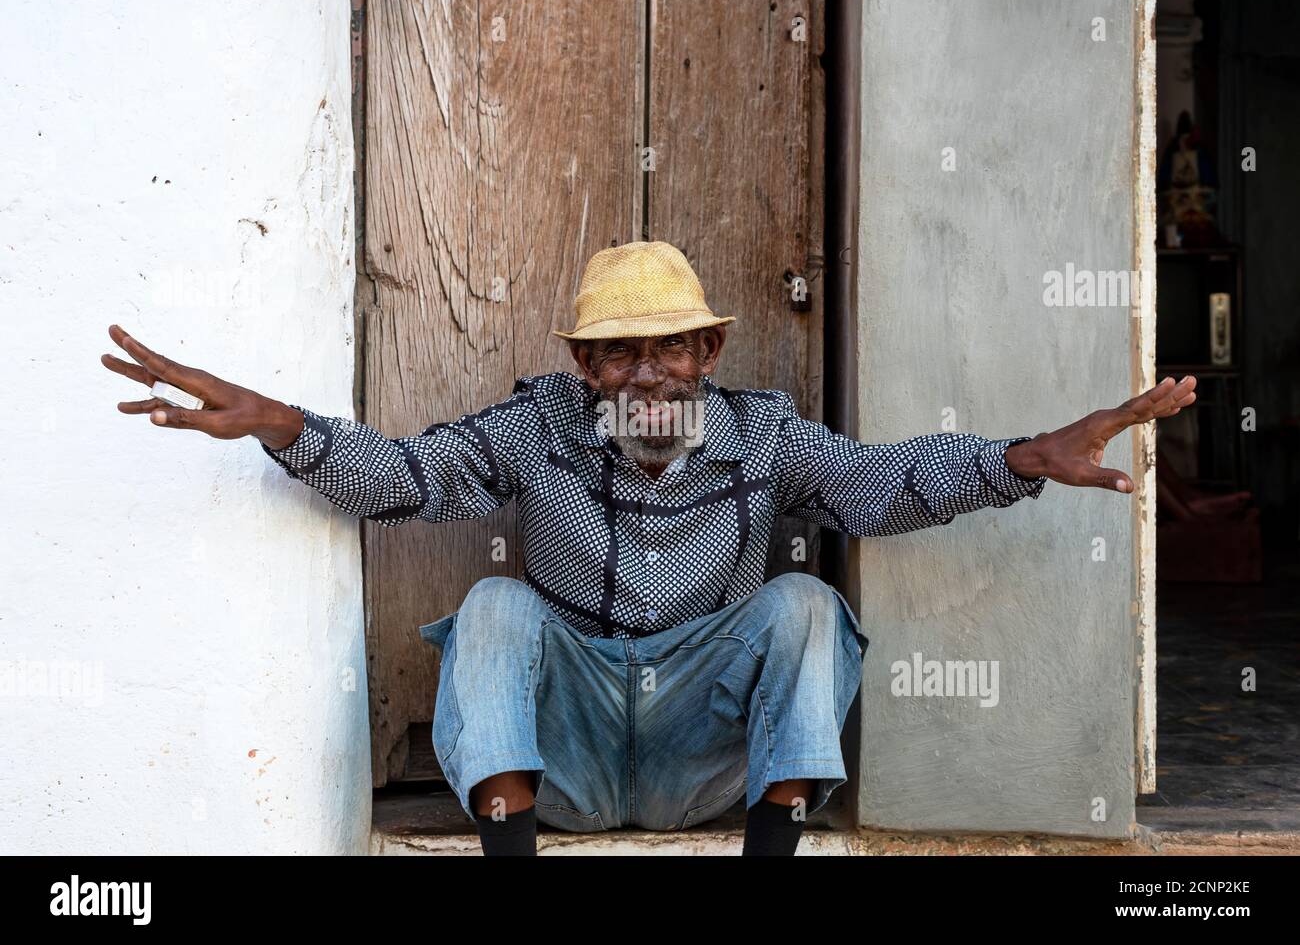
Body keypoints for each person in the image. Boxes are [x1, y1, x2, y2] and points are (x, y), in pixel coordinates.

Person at [102, 240, 1198, 855]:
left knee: (804, 603)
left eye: (669, 350)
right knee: (493, 607)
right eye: (616, 357)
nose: (647, 378)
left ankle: (772, 863)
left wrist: (1016, 458)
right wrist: (281, 426)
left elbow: (879, 485)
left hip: (703, 761)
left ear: (708, 348)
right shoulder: (536, 429)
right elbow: (409, 481)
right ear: (585, 368)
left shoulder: (764, 434)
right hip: (566, 755)